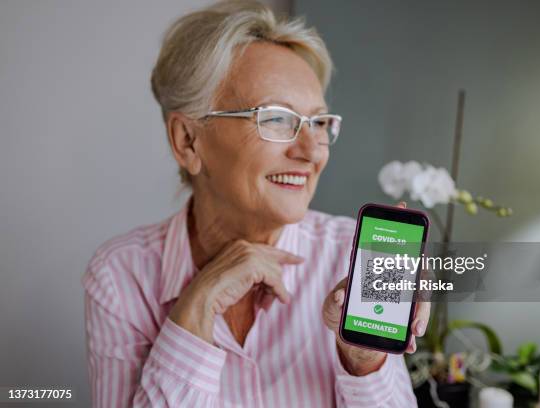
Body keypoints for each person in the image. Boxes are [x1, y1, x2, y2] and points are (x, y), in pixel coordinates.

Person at [83, 1, 430, 406]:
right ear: (187, 141)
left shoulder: (351, 259)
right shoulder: (121, 277)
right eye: (277, 118)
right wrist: (198, 304)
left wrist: (362, 358)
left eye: (318, 122)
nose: (310, 151)